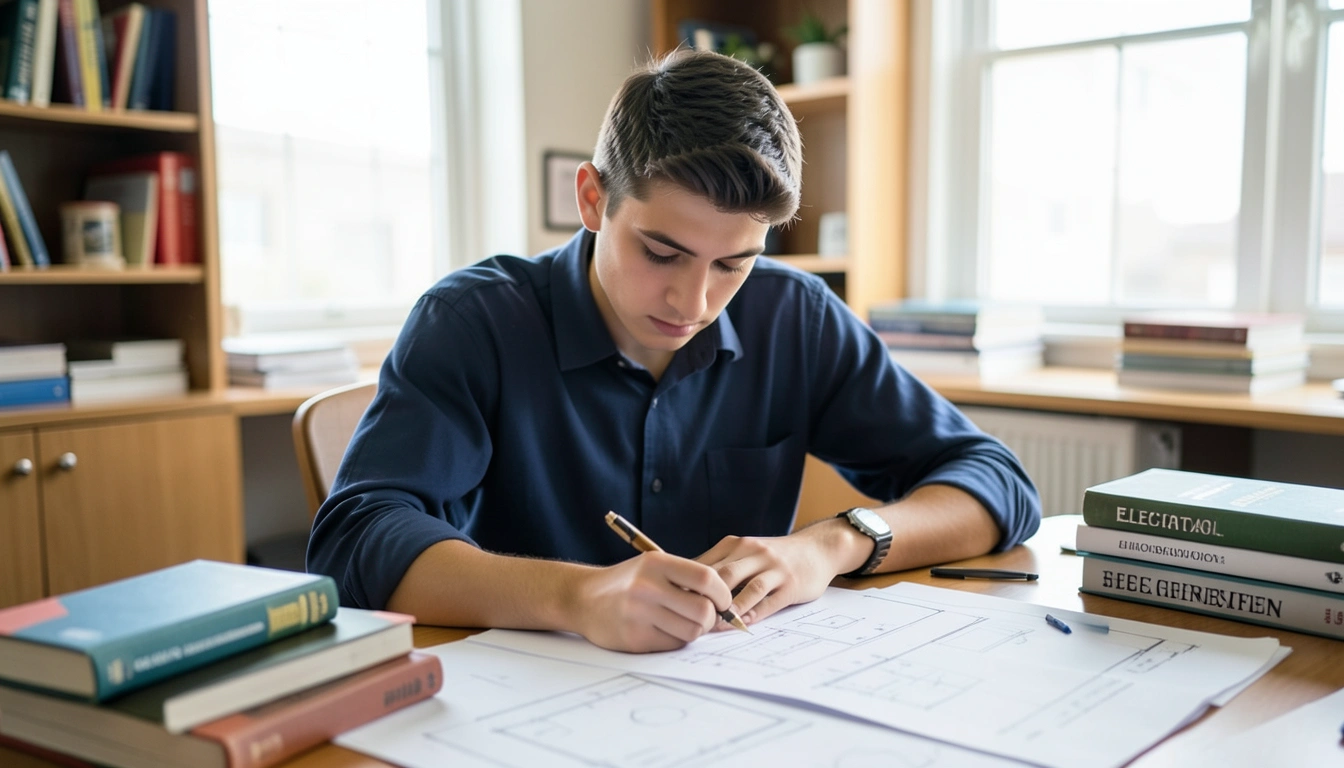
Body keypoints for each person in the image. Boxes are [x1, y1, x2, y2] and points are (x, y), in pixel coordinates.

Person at [308, 49, 1040, 653]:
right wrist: (579, 595)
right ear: (592, 200)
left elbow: (995, 481)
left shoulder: (794, 315)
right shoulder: (473, 321)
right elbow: (355, 542)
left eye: (733, 264)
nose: (693, 305)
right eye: (663, 252)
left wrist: (832, 545)